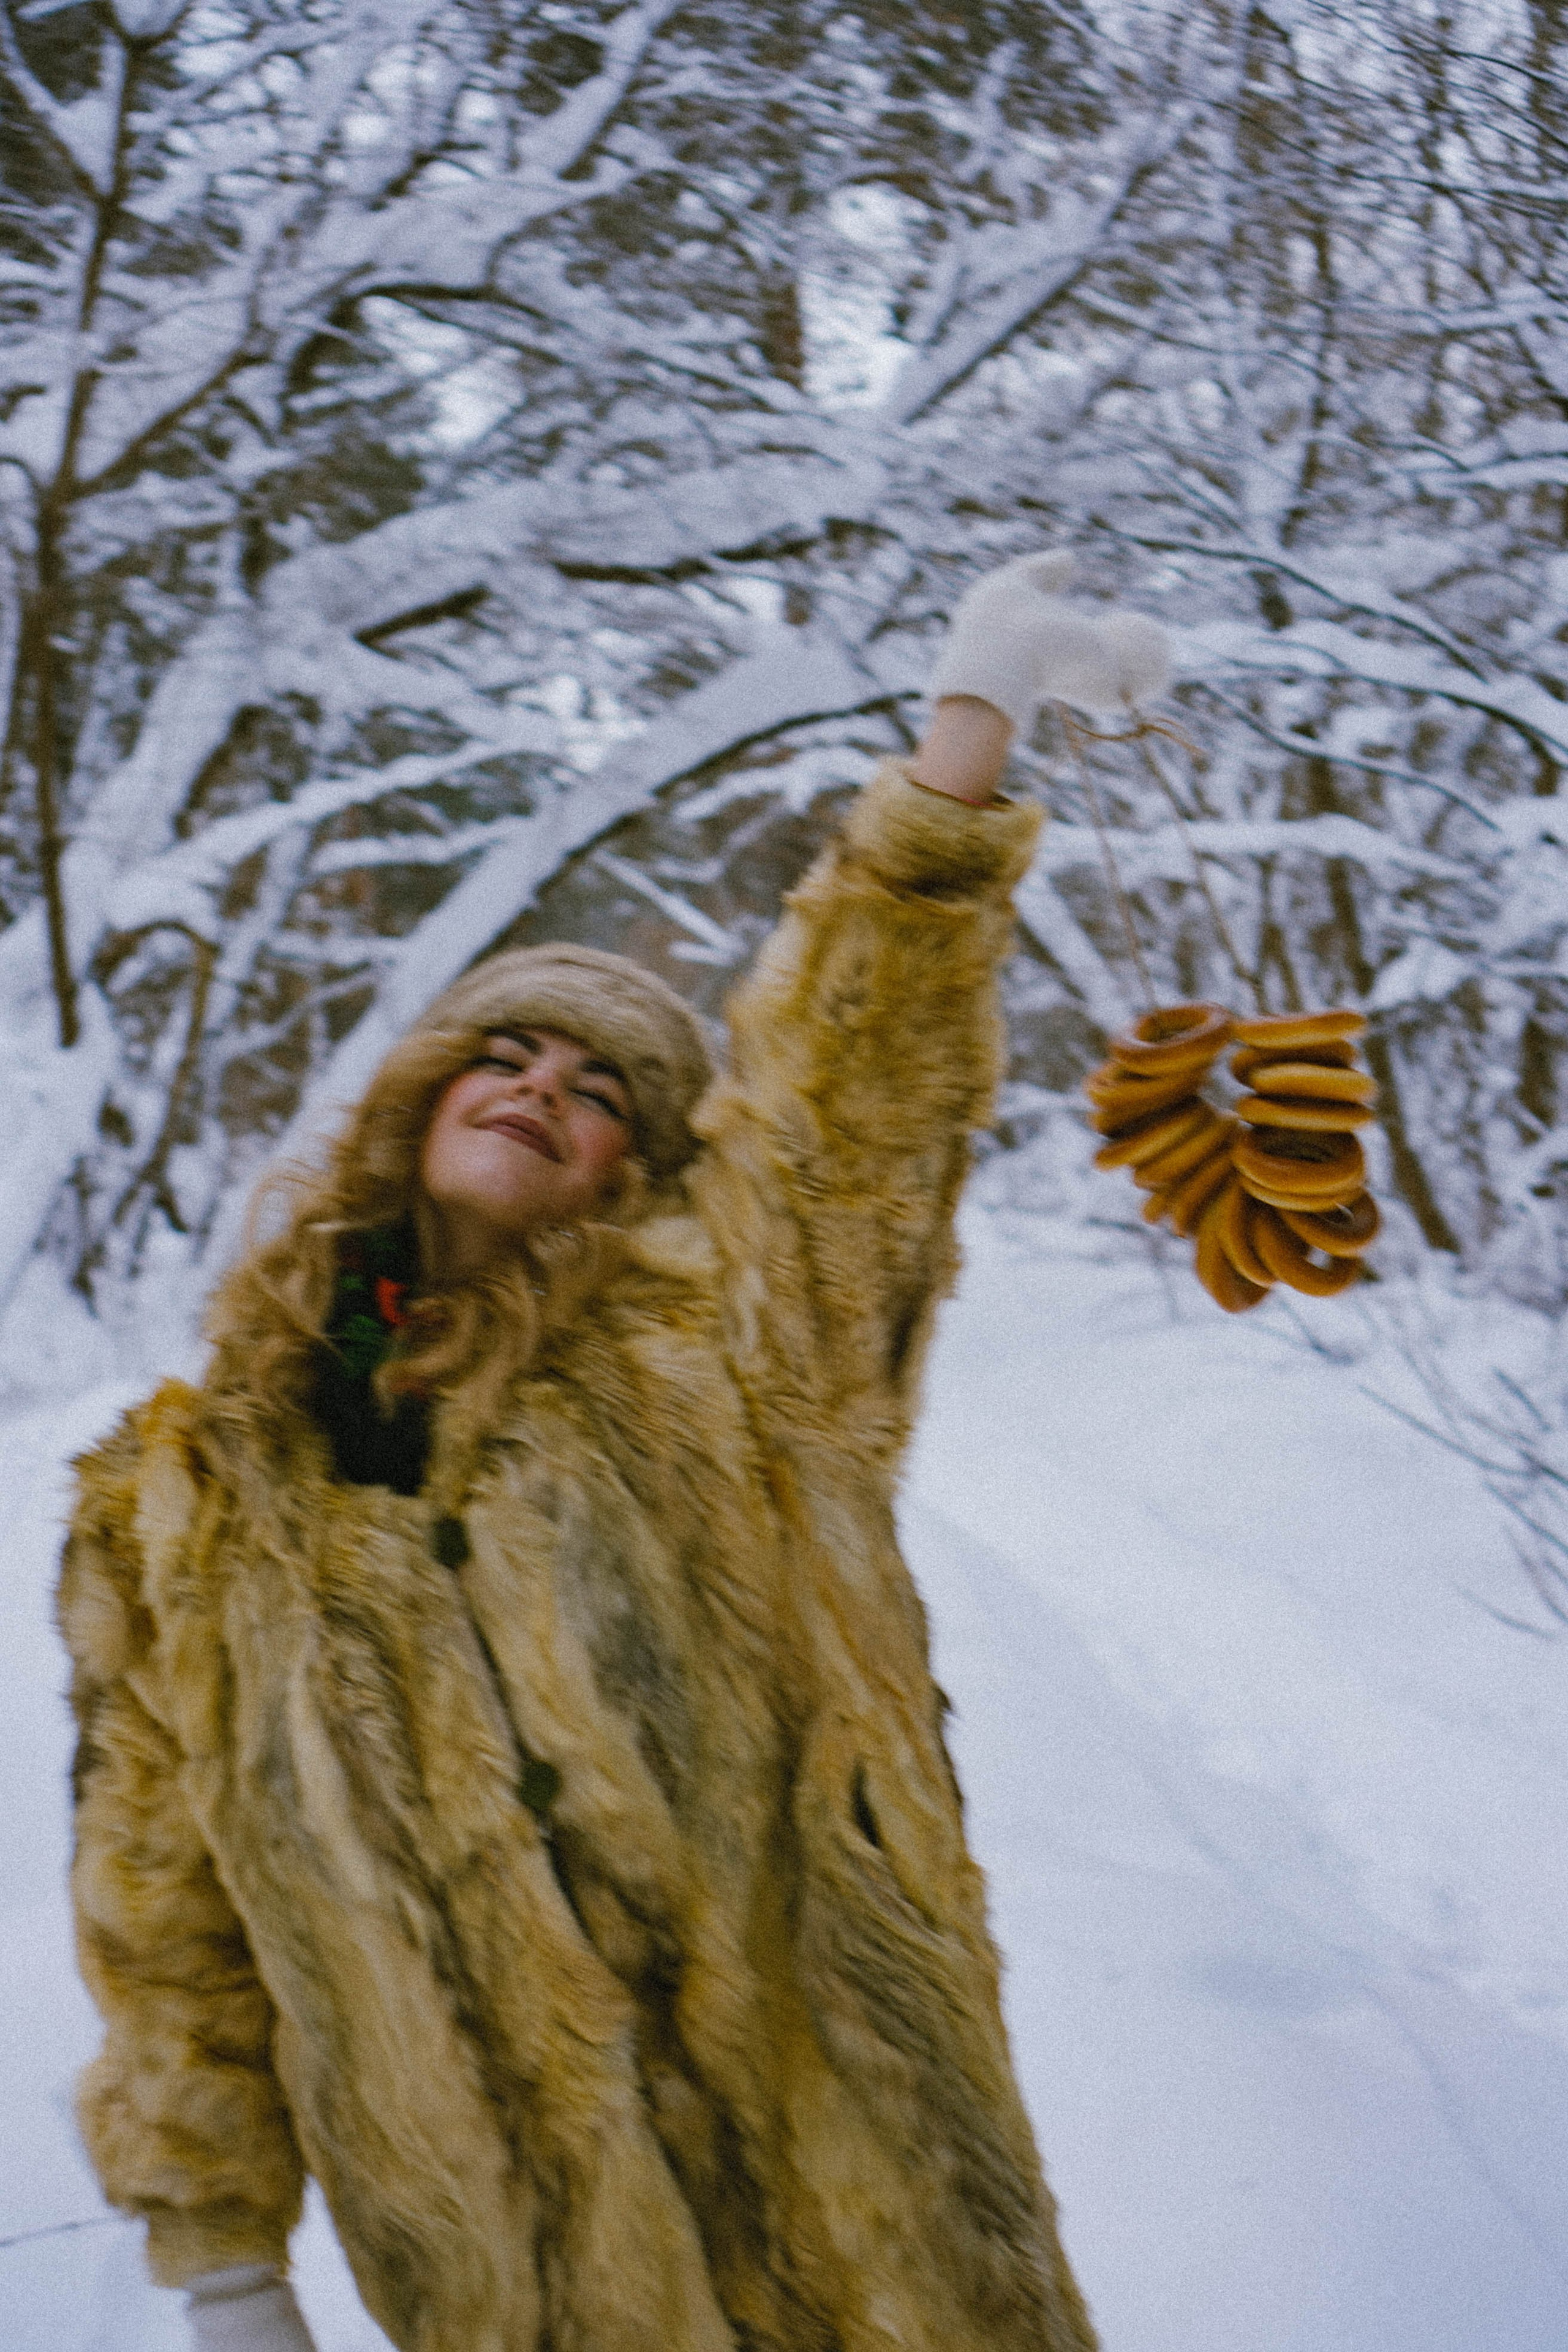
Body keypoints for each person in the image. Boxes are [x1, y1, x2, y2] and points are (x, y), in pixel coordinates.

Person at [58, 558, 1167, 2352]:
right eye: (499, 1055)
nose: (540, 1090)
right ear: (415, 1101)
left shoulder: (731, 1364)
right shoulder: (174, 1504)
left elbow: (851, 1099)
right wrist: (222, 2253)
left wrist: (969, 733)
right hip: (514, 2271)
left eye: (598, 1092)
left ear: (631, 1177)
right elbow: (164, 1907)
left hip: (865, 2215)